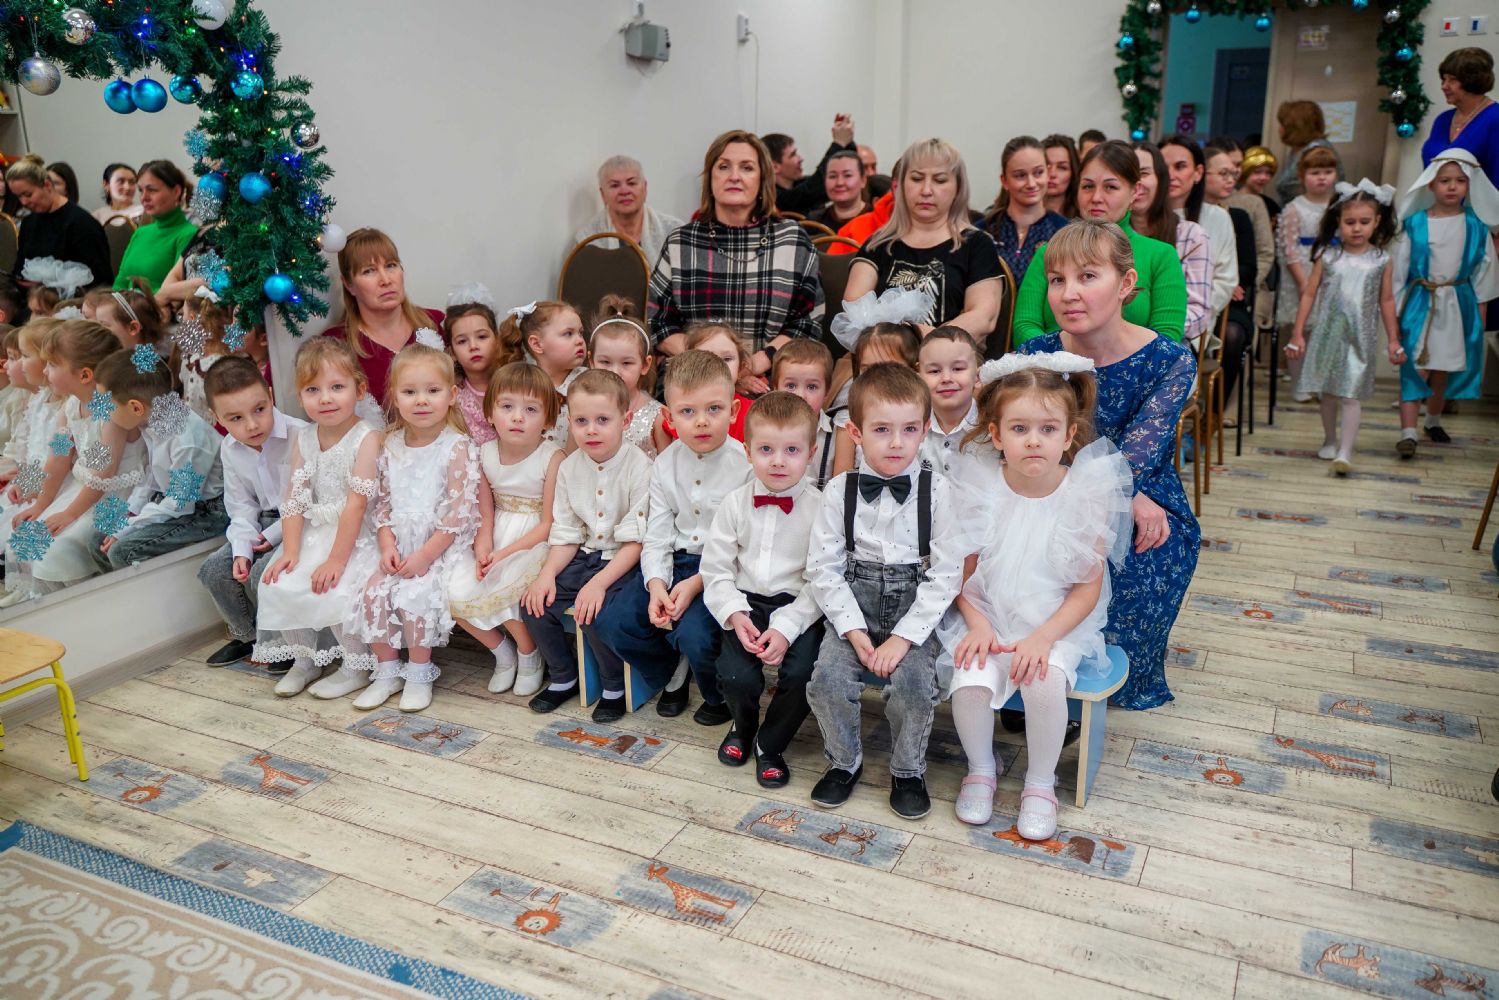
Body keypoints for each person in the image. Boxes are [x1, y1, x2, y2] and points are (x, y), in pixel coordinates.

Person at [940, 352, 1131, 836]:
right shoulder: (980, 487)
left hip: (1056, 623)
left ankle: (1040, 783)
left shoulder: (1083, 494)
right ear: (996, 434)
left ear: (1068, 435)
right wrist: (977, 624)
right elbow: (959, 574)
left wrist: (1044, 638)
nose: (1033, 440)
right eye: (1019, 428)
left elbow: (1087, 590)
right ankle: (981, 770)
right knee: (970, 683)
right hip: (987, 614)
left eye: (1047, 429)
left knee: (1044, 685)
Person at [1020, 220, 1200, 711]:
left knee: (1148, 550)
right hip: (1047, 486)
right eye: (1057, 280)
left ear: (1126, 283)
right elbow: (1024, 444)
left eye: (1087, 277)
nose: (1069, 293)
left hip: (1143, 489)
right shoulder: (1038, 356)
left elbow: (1139, 455)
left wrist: (1133, 493)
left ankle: (1102, 684)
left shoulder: (1168, 360)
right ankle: (1031, 676)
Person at [804, 362, 966, 819]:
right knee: (827, 681)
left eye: (909, 429)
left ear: (925, 430)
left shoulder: (939, 491)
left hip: (914, 610)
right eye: (881, 430)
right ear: (855, 433)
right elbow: (823, 569)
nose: (897, 443)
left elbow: (946, 575)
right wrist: (854, 632)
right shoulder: (838, 491)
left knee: (915, 686)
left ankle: (908, 769)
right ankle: (844, 760)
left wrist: (903, 639)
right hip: (853, 606)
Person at [594, 350, 750, 724]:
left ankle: (714, 695)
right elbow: (658, 534)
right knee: (612, 621)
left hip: (721, 569)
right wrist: (657, 585)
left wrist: (696, 584)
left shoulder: (746, 465)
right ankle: (670, 668)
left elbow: (743, 545)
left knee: (696, 635)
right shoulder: (664, 464)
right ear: (669, 416)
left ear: (733, 410)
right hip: (673, 559)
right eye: (688, 411)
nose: (702, 421)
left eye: (714, 409)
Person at [343, 341, 481, 714]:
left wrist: (423, 556)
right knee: (372, 592)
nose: (421, 400)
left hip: (439, 545)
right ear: (394, 396)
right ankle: (387, 671)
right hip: (398, 543)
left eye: (432, 391)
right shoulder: (389, 444)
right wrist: (387, 544)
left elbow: (456, 515)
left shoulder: (457, 447)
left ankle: (419, 673)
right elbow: (383, 504)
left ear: (451, 395)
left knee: (415, 595)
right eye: (409, 392)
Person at [702, 391, 827, 788]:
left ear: (811, 453)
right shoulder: (734, 503)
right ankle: (742, 727)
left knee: (804, 673)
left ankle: (770, 744)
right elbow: (716, 568)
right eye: (766, 449)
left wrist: (787, 628)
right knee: (736, 676)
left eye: (792, 450)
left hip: (801, 605)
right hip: (745, 601)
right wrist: (735, 613)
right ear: (748, 451)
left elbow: (822, 580)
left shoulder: (822, 508)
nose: (778, 461)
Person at [252, 337, 381, 698]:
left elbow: (356, 505)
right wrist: (291, 551)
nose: (325, 398)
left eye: (337, 387)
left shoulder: (367, 437)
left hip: (355, 535)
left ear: (359, 389)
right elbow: (294, 499)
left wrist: (336, 560)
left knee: (335, 586)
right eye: (313, 390)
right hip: (314, 531)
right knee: (279, 581)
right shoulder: (305, 437)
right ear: (300, 395)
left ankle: (356, 665)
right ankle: (305, 659)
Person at [519, 369, 652, 718]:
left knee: (595, 612)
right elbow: (566, 533)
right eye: (581, 421)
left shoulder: (640, 467)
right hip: (584, 555)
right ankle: (564, 676)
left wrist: (598, 584)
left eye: (602, 420)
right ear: (570, 421)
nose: (591, 429)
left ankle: (613, 685)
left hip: (624, 561)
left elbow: (636, 542)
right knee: (533, 604)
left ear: (625, 420)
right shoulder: (569, 468)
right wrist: (546, 575)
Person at [649, 130, 822, 364]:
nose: (734, 176)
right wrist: (715, 364)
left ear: (763, 179)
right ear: (710, 179)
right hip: (693, 372)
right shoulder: (681, 242)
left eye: (747, 168)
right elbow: (658, 322)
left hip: (771, 373)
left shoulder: (793, 240)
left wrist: (755, 364)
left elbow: (808, 322)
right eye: (723, 167)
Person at [7, 324, 147, 602]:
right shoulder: (70, 407)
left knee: (58, 550)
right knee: (25, 541)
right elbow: (57, 461)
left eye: (52, 364)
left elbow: (103, 473)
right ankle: (46, 602)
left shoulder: (111, 411)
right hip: (83, 491)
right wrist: (41, 504)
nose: (45, 371)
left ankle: (88, 603)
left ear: (84, 375)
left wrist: (69, 514)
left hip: (116, 496)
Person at [449, 362, 564, 697]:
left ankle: (529, 654)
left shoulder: (552, 457)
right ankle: (502, 652)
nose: (517, 417)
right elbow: (485, 512)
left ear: (548, 419)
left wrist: (504, 555)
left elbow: (549, 523)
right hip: (496, 533)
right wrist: (483, 547)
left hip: (534, 540)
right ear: (490, 413)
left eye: (531, 410)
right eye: (507, 407)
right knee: (451, 590)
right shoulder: (483, 454)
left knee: (506, 589)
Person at [1014, 141, 1189, 345]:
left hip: (1137, 364)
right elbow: (1025, 325)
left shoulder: (1160, 255)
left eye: (1110, 187)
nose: (1096, 197)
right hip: (1052, 363)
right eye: (1088, 186)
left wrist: (1113, 360)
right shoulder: (1049, 252)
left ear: (1134, 191)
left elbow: (1166, 335)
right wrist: (1066, 359)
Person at [196, 357, 307, 668]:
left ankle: (284, 642)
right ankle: (248, 636)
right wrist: (242, 549)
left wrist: (272, 536)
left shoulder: (300, 435)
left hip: (300, 521)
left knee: (263, 573)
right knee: (214, 569)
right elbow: (242, 506)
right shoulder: (230, 448)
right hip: (260, 526)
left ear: (270, 396)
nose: (252, 425)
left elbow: (310, 499)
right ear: (217, 418)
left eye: (259, 409)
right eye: (236, 418)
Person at [1285, 182, 1399, 477]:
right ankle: (1330, 439)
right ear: (1338, 221)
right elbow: (1309, 294)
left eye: (1364, 221)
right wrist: (1297, 333)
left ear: (1377, 222)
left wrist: (1393, 340)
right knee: (1329, 394)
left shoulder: (1381, 260)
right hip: (1328, 335)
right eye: (1350, 222)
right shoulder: (1328, 257)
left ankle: (1345, 451)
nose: (1357, 228)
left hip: (1360, 338)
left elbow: (1387, 300)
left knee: (1351, 395)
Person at [1393, 150, 1499, 457]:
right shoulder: (1415, 224)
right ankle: (1408, 432)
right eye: (1445, 181)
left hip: (1457, 305)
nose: (1452, 187)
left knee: (1442, 369)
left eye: (1460, 181)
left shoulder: (1476, 226)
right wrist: (1396, 316)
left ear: (1469, 185)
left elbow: (1484, 274)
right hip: (1419, 303)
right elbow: (1399, 272)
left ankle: (1433, 420)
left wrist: (1478, 320)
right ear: (1430, 184)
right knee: (1416, 368)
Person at [843, 139, 1002, 344]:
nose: (926, 190)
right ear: (900, 185)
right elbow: (854, 309)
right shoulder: (878, 243)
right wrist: (904, 340)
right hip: (881, 354)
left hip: (949, 357)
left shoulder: (977, 244)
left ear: (958, 188)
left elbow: (983, 317)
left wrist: (927, 342)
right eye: (917, 179)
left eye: (940, 180)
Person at [89, 349, 226, 572]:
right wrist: (132, 511)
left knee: (123, 551)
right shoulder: (151, 422)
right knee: (98, 539)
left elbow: (181, 504)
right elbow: (152, 477)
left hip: (208, 512)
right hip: (172, 501)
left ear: (135, 407)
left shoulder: (186, 440)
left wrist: (130, 527)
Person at [323, 228, 444, 407]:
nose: (386, 280)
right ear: (349, 284)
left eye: (390, 266)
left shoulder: (434, 323)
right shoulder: (336, 345)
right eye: (369, 271)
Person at [1203, 141, 1262, 417]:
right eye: (1223, 173)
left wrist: (1233, 282)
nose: (1230, 180)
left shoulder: (1237, 217)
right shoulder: (1175, 217)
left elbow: (1250, 265)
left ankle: (1214, 415)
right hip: (1196, 295)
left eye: (1233, 174)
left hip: (1230, 297)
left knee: (1233, 335)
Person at [1276, 146, 1340, 398]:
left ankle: (1321, 384)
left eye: (1328, 171)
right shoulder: (1295, 208)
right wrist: (1303, 281)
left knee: (1326, 330)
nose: (1322, 177)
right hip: (1302, 270)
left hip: (1333, 270)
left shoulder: (1339, 206)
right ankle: (1300, 384)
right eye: (1315, 172)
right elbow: (1289, 249)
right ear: (1302, 177)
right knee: (1301, 328)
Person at [827, 318, 922, 477]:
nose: (878, 378)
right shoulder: (848, 417)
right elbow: (841, 479)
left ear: (914, 370)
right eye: (868, 370)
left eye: (890, 368)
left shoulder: (922, 415)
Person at [1160, 135, 1238, 326]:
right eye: (1163, 167)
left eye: (1180, 167)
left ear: (1198, 172)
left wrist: (1188, 316)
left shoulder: (1218, 217)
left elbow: (1225, 280)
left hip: (1195, 322)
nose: (1170, 175)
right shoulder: (1141, 215)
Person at [7, 155, 112, 293]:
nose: (23, 202)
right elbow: (19, 268)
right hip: (31, 298)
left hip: (75, 301)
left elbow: (101, 280)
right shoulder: (28, 223)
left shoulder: (82, 224)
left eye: (28, 194)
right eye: (18, 196)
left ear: (47, 185)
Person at [981, 136, 1071, 288]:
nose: (1031, 183)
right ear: (1004, 181)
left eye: (1038, 172)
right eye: (1020, 175)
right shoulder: (983, 232)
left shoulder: (1065, 232)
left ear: (1048, 173)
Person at [500, 299, 587, 450]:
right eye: (568, 333)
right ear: (537, 344)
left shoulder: (589, 382)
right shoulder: (523, 383)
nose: (580, 340)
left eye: (580, 333)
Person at [588, 298, 669, 457]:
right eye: (605, 362)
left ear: (645, 365)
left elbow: (667, 466)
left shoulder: (658, 416)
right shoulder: (583, 407)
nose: (615, 372)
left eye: (626, 363)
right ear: (591, 362)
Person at [572, 156, 685, 266]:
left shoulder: (675, 231)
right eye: (614, 185)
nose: (624, 191)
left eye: (632, 183)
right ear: (603, 194)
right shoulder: (587, 240)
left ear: (645, 188)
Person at [1221, 142, 1278, 340]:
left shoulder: (1255, 204)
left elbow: (1265, 252)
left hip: (1241, 287)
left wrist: (1242, 285)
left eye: (1237, 165)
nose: (1234, 172)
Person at [445, 284, 514, 448]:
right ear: (452, 352)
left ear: (497, 339)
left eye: (482, 337)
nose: (473, 346)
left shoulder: (515, 383)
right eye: (462, 341)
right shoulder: (453, 397)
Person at [113, 161, 196, 292]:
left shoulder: (190, 235)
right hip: (124, 303)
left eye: (151, 190)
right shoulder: (140, 233)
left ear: (176, 191)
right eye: (141, 190)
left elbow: (178, 293)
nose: (143, 198)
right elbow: (120, 283)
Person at [916, 325, 983, 479]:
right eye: (934, 371)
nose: (946, 378)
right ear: (919, 378)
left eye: (958, 369)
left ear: (977, 376)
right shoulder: (909, 427)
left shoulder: (992, 428)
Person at [1422, 48, 1499, 181]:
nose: (1444, 86)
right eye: (1444, 79)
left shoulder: (1495, 118)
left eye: (1452, 80)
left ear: (1473, 81)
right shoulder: (1443, 120)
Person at [771, 339, 834, 487]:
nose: (800, 395)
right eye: (791, 386)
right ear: (775, 388)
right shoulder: (762, 430)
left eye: (812, 387)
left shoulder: (837, 436)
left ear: (827, 391)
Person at [763, 115, 857, 216]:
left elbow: (844, 169)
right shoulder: (772, 197)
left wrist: (847, 142)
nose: (801, 159)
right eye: (793, 155)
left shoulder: (801, 183)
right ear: (775, 167)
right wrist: (839, 143)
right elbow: (813, 189)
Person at [1274, 101, 1343, 204]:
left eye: (1283, 125)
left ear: (1295, 128)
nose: (1279, 129)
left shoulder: (1317, 151)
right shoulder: (1298, 149)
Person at [807, 150, 869, 232]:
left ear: (863, 180)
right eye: (832, 176)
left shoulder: (876, 219)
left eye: (847, 175)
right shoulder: (814, 222)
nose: (839, 183)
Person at [1042, 134, 1081, 219]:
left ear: (1073, 173)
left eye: (1062, 167)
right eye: (1046, 165)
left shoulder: (1085, 218)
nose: (1052, 174)